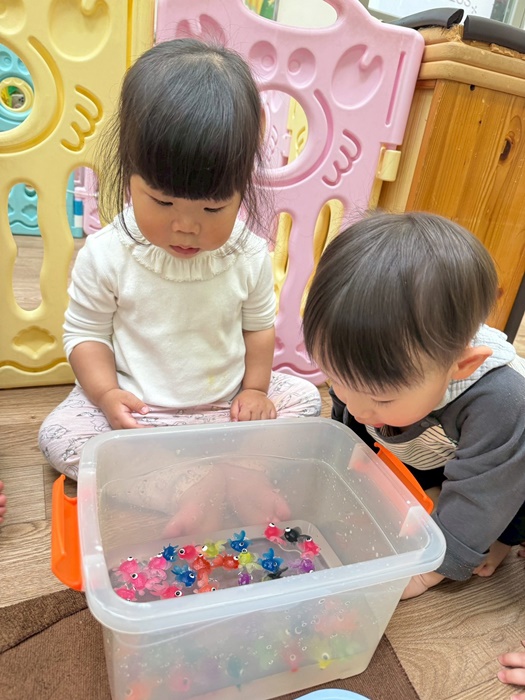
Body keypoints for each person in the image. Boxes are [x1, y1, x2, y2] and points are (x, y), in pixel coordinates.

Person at [39, 39, 321, 533]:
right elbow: (85, 334)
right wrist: (106, 395)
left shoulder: (248, 255)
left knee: (305, 398)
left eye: (213, 208)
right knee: (60, 436)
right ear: (130, 173)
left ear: (243, 186)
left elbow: (258, 330)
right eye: (163, 202)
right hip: (141, 414)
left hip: (226, 410)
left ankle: (233, 472)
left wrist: (256, 389)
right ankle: (196, 482)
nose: (186, 226)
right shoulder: (106, 254)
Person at [302, 211, 525, 599]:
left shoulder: (502, 403)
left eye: (381, 397)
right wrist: (345, 467)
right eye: (336, 378)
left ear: (460, 367)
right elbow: (352, 421)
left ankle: (503, 536)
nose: (358, 408)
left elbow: (487, 493)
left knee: (497, 505)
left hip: (507, 474)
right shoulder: (366, 372)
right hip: (440, 449)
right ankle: (437, 487)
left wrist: (428, 570)